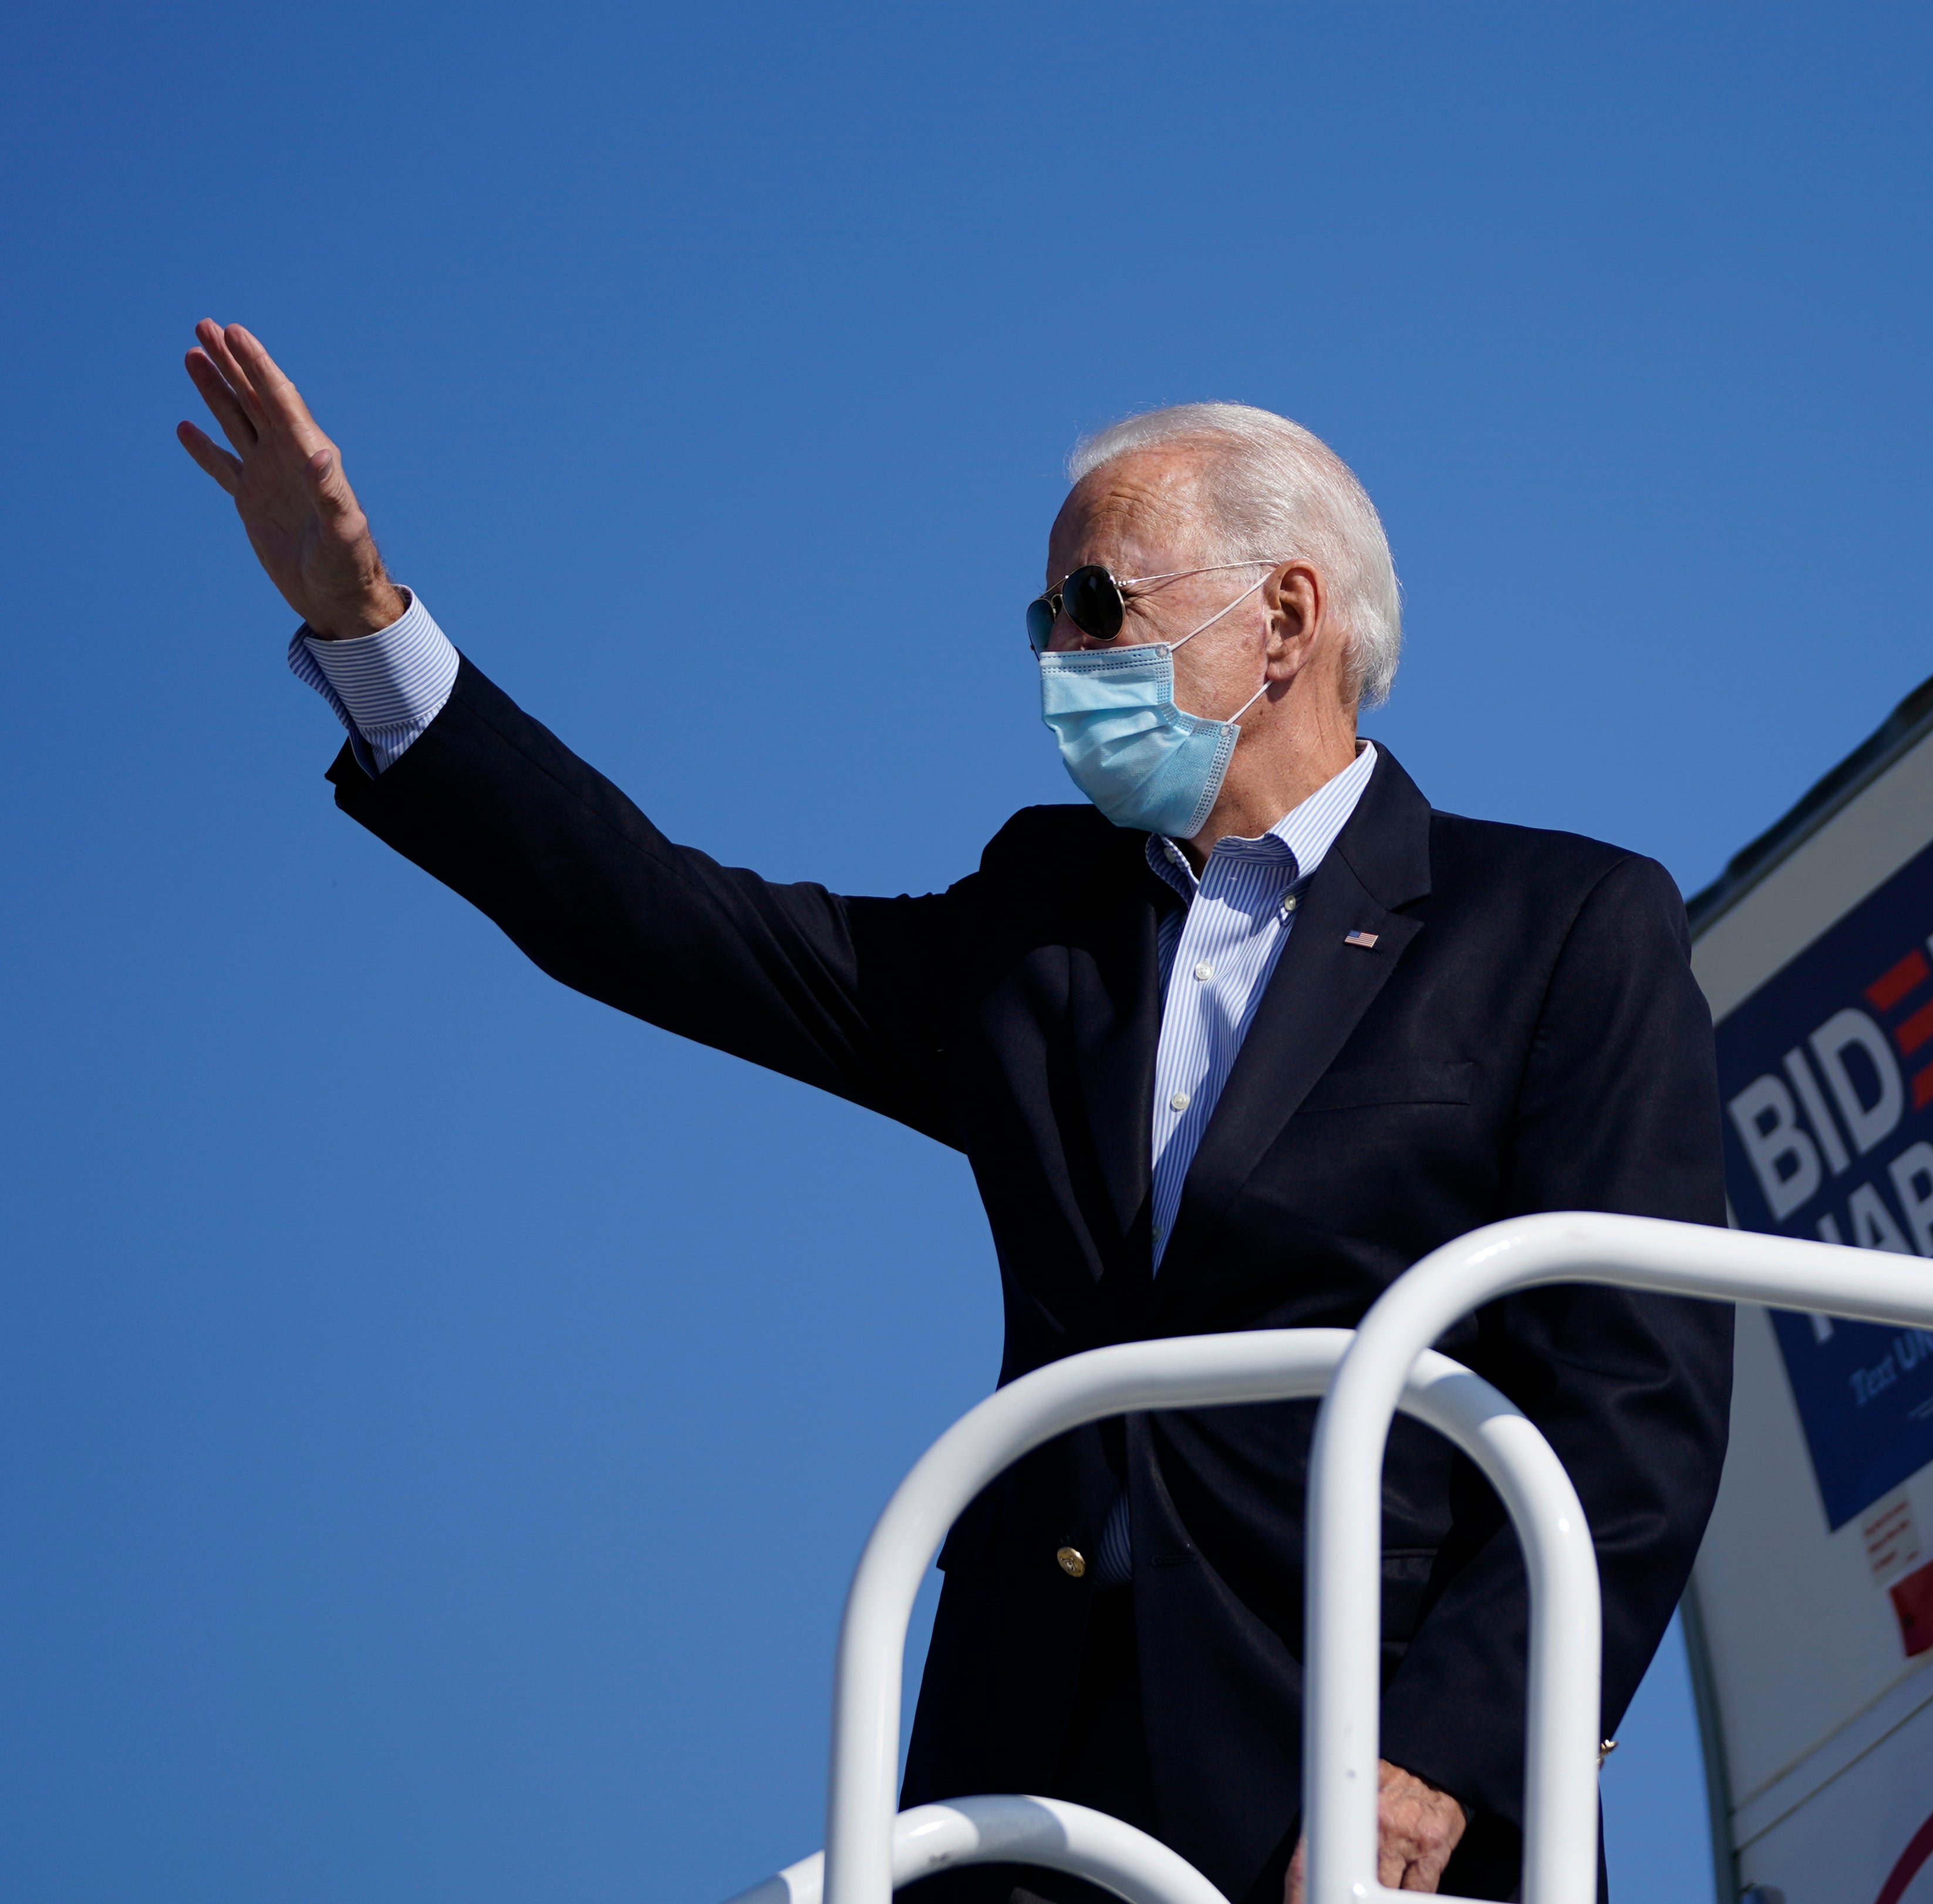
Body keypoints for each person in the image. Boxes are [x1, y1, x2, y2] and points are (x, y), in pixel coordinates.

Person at [177, 321, 1732, 1904]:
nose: (1060, 654)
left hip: (1348, 1784)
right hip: (1028, 1784)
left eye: (1097, 605)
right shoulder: (1039, 929)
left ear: (1286, 615)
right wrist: (362, 624)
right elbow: (659, 920)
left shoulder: (1553, 923)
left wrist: (1449, 1758)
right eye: (1042, 618)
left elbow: (1636, 1401)